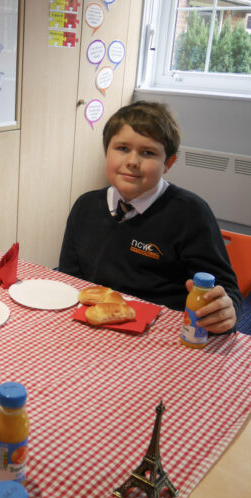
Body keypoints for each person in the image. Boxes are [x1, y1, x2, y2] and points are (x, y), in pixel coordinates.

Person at [59, 101, 241, 333]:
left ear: (168, 163)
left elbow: (226, 290)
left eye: (148, 152)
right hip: (93, 327)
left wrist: (226, 310)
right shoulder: (85, 207)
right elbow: (70, 280)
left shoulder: (191, 214)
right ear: (107, 152)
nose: (132, 161)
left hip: (162, 335)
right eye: (122, 148)